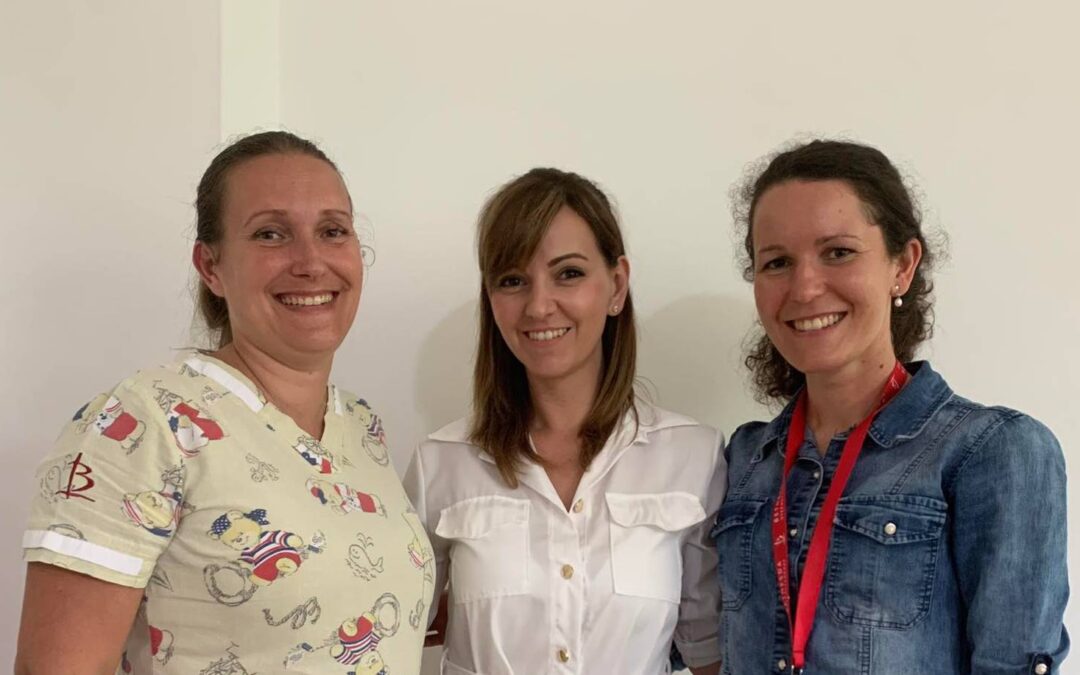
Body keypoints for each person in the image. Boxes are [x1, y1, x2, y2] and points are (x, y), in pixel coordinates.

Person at [16, 131, 433, 674]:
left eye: (333, 231)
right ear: (211, 266)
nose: (311, 262)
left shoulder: (361, 427)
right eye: (270, 234)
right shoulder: (145, 423)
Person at [713, 139, 1069, 674]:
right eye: (777, 262)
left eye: (838, 252)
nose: (804, 288)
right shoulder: (743, 459)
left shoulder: (993, 452)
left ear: (902, 265)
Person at [405, 168, 725, 675]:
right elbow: (392, 639)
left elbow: (707, 651)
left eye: (568, 273)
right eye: (513, 281)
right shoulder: (440, 464)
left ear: (616, 285)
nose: (538, 306)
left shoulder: (694, 457)